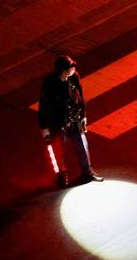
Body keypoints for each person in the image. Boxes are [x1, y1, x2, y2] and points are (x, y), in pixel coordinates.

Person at [39, 54, 103, 187]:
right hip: (58, 122)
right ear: (63, 71)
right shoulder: (50, 83)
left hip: (74, 119)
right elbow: (43, 106)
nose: (74, 69)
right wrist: (44, 127)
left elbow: (81, 95)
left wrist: (83, 115)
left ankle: (87, 172)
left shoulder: (74, 77)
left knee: (82, 147)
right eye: (70, 67)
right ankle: (62, 176)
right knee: (58, 150)